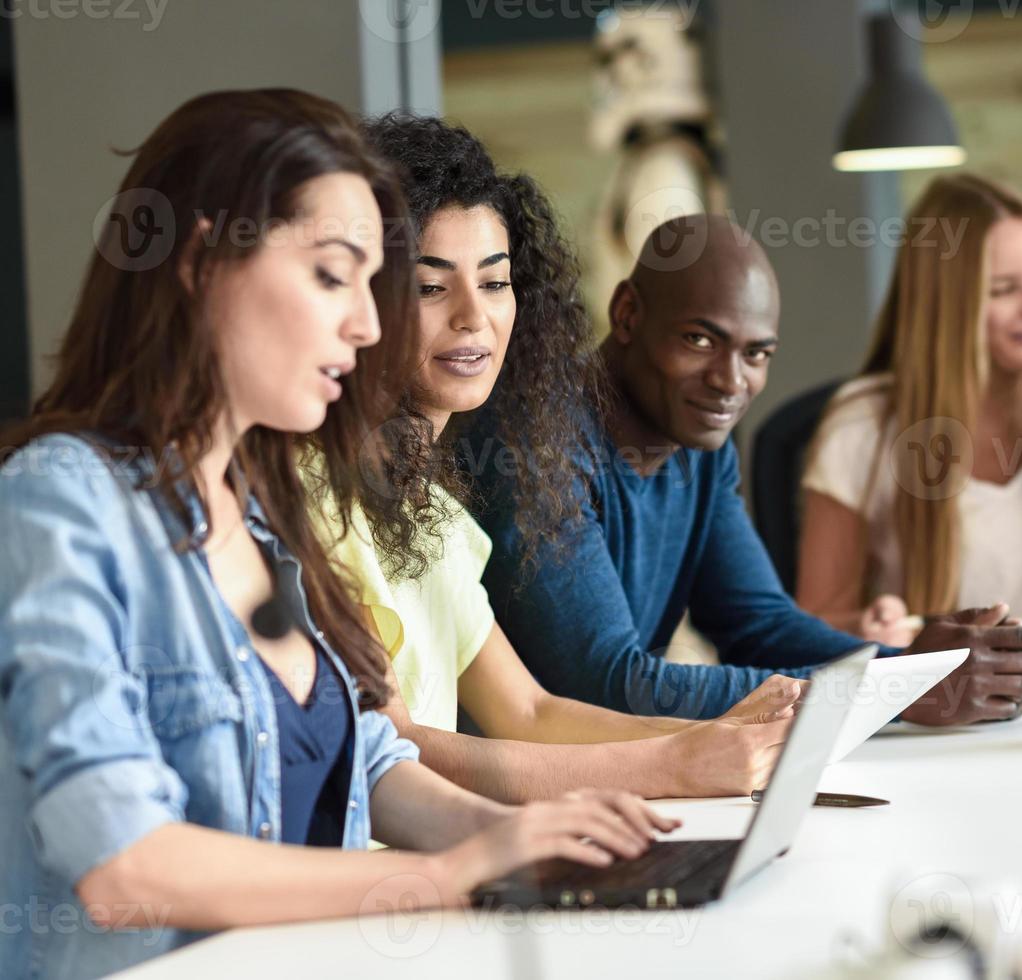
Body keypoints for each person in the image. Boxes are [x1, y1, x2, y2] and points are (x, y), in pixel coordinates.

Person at [0, 90, 671, 980]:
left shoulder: (257, 505)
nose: (365, 324)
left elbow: (370, 756)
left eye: (372, 285)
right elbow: (125, 865)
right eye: (331, 275)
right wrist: (438, 879)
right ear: (203, 262)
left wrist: (519, 839)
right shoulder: (60, 501)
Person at [304, 113, 794, 805]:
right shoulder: (312, 494)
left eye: (495, 282)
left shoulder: (434, 509)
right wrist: (678, 762)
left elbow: (531, 713)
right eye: (429, 286)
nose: (474, 317)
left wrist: (734, 732)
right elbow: (389, 748)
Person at [471, 212, 1022, 725]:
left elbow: (759, 625)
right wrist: (895, 689)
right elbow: (608, 685)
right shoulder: (535, 439)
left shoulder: (702, 448)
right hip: (501, 799)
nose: (731, 383)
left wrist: (915, 669)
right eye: (701, 341)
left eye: (756, 354)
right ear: (627, 313)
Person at [797, 174, 1022, 649]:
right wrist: (870, 628)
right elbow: (814, 622)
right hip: (938, 698)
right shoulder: (862, 423)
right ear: (945, 307)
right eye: (1004, 289)